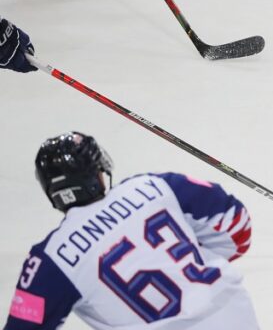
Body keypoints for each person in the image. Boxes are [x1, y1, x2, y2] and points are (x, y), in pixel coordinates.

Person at [3, 132, 259, 330]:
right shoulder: (154, 186)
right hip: (234, 316)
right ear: (97, 174)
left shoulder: (51, 259)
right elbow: (238, 226)